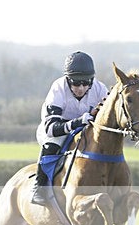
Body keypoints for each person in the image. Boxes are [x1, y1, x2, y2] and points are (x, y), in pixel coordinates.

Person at [31, 51, 109, 206]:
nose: (81, 88)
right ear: (68, 80)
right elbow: (51, 129)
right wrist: (78, 122)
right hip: (55, 129)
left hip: (86, 130)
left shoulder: (100, 88)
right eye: (76, 83)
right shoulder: (58, 88)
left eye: (86, 83)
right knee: (52, 143)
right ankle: (39, 187)